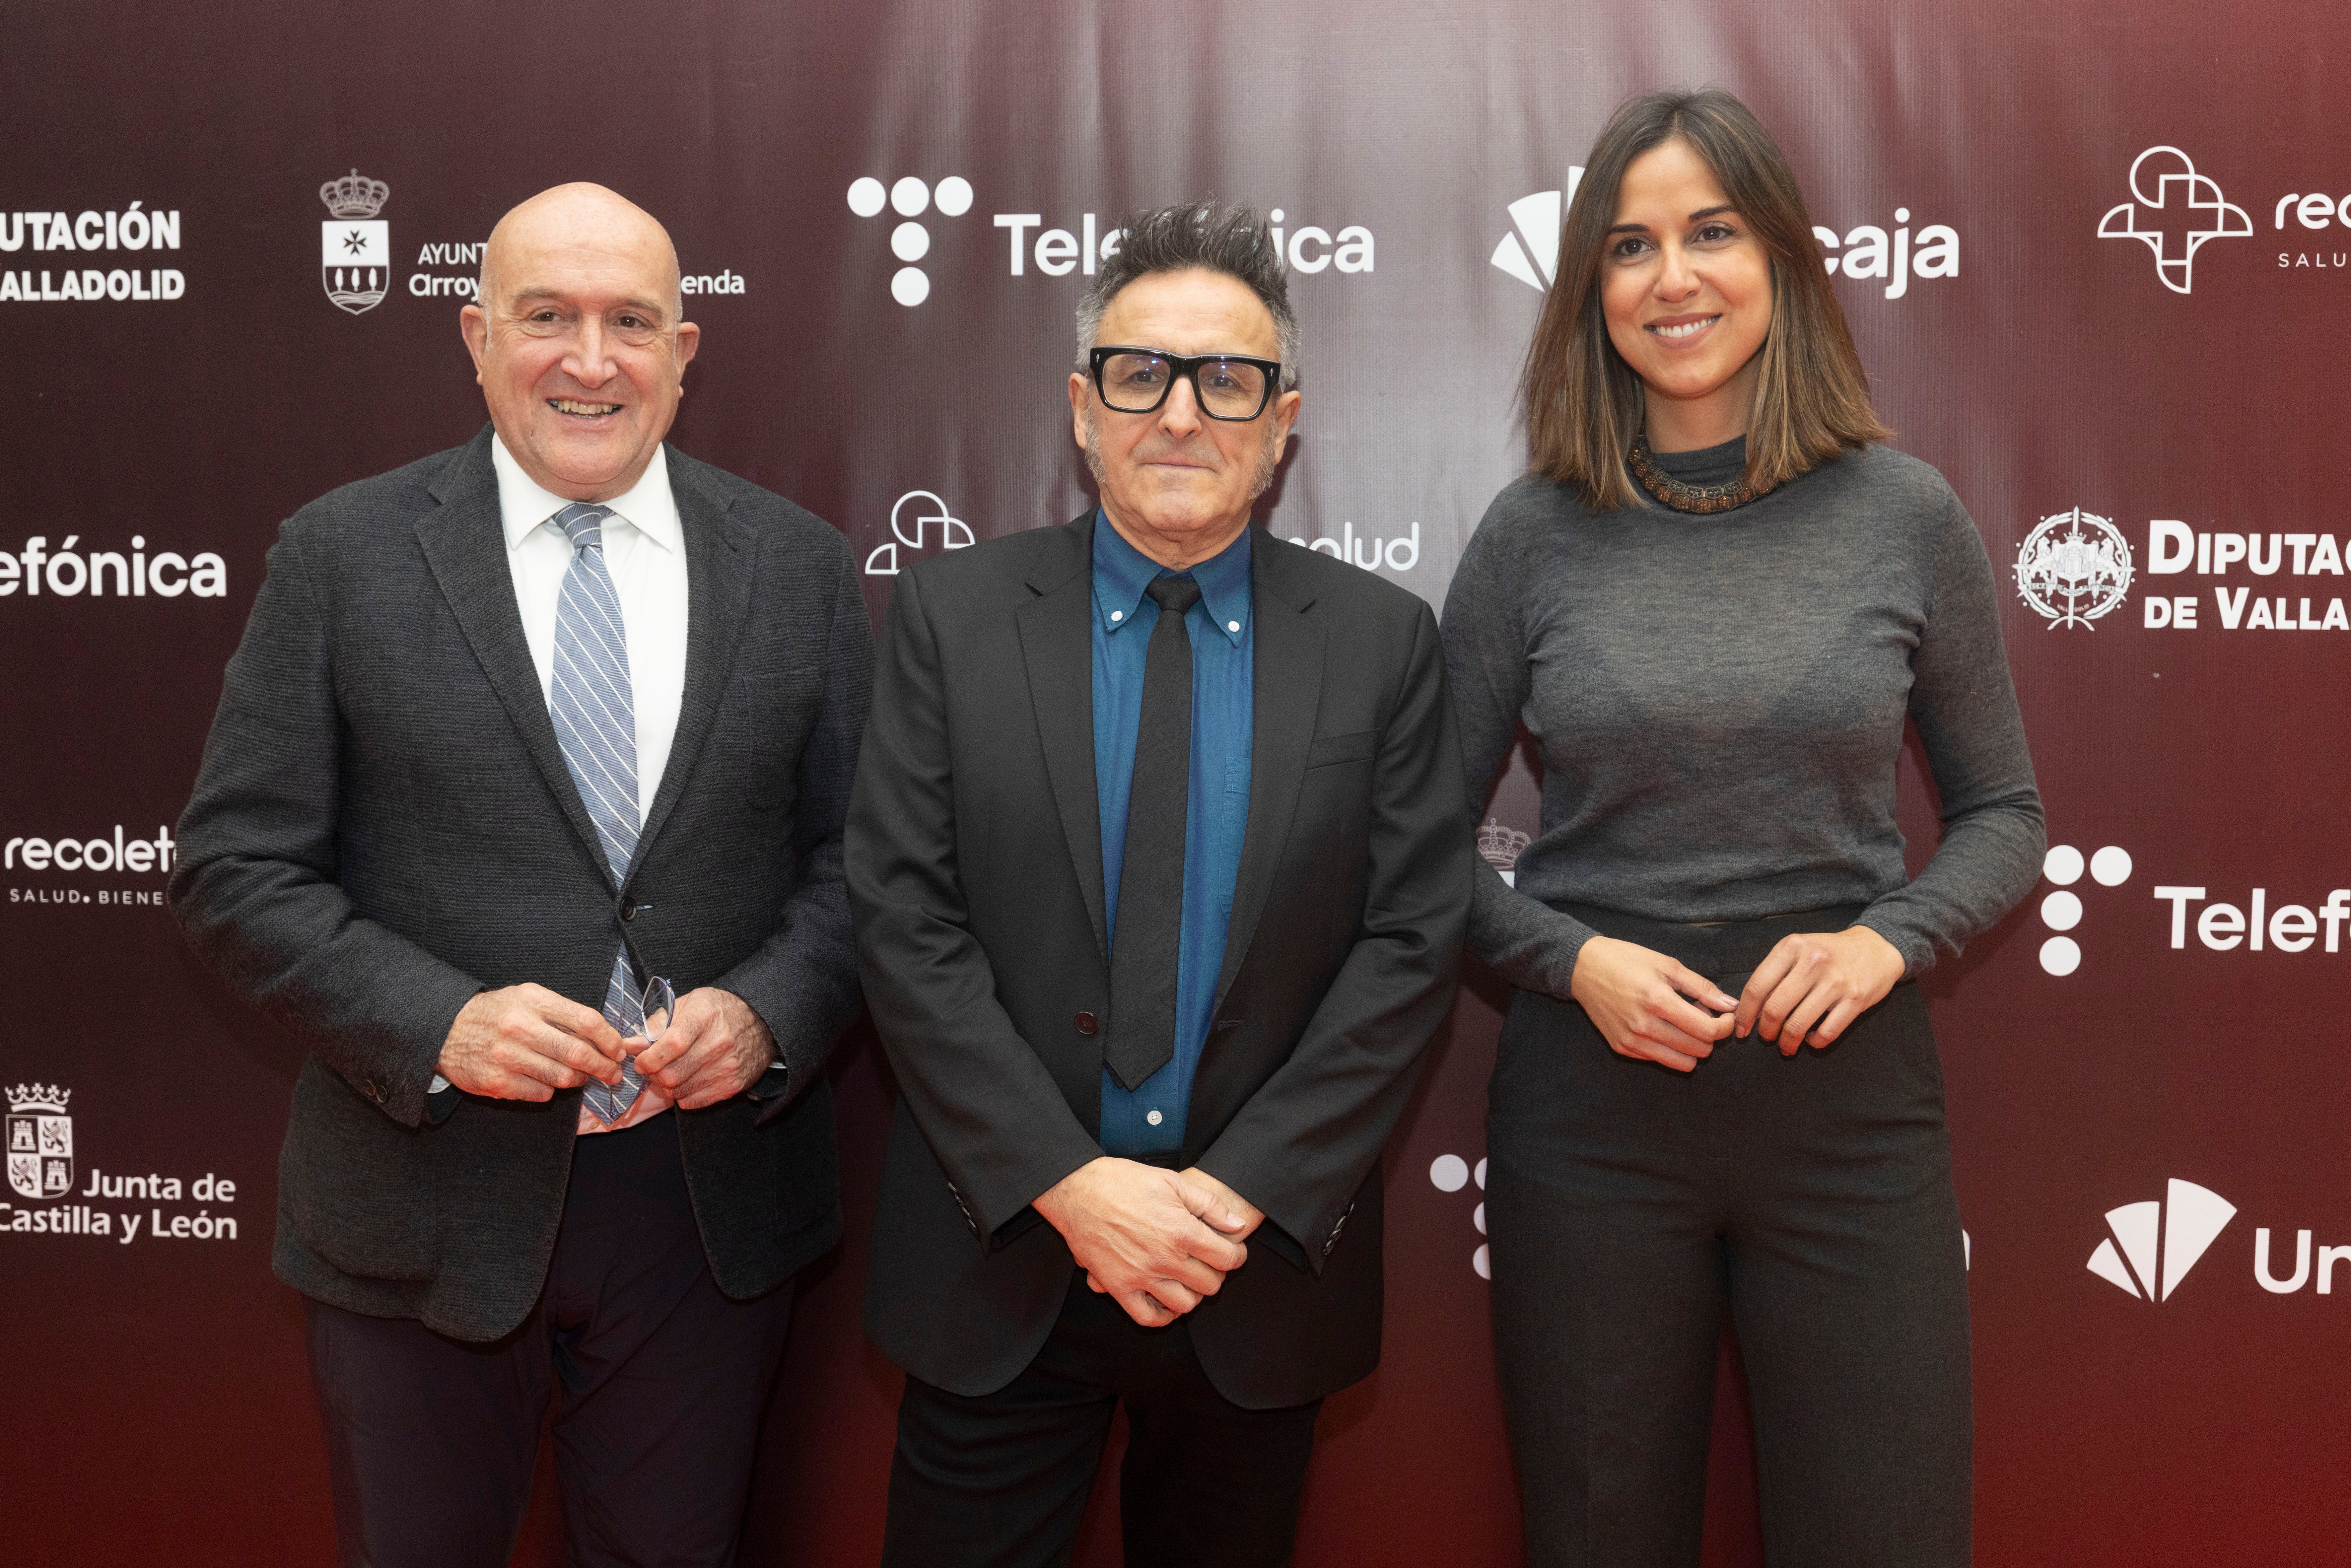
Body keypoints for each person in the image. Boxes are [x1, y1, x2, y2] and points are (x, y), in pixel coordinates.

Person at [169, 183, 870, 1568]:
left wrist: (770, 1011)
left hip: (703, 1212)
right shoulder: (340, 556)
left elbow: (866, 865)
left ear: (685, 351)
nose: (589, 361)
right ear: (476, 336)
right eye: (547, 318)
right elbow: (235, 870)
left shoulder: (796, 565)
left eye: (630, 323)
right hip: (420, 1202)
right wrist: (439, 1023)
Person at [1443, 91, 2043, 1567]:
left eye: (1710, 232)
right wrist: (1572, 965)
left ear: (1778, 257)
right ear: (1591, 287)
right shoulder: (1531, 533)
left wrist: (1885, 944)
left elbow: (2002, 816)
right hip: (1591, 1108)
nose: (1673, 277)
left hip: (1844, 1108)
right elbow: (1407, 852)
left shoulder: (1904, 514)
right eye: (1630, 245)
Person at [848, 200, 1470, 1568]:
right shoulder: (952, 618)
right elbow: (900, 919)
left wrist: (1237, 1191)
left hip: (1247, 1267)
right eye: (1140, 375)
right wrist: (1068, 1183)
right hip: (1002, 1254)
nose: (1179, 416)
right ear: (1081, 407)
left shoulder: (1382, 644)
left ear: (1281, 420)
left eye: (1226, 381)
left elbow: (1412, 940)